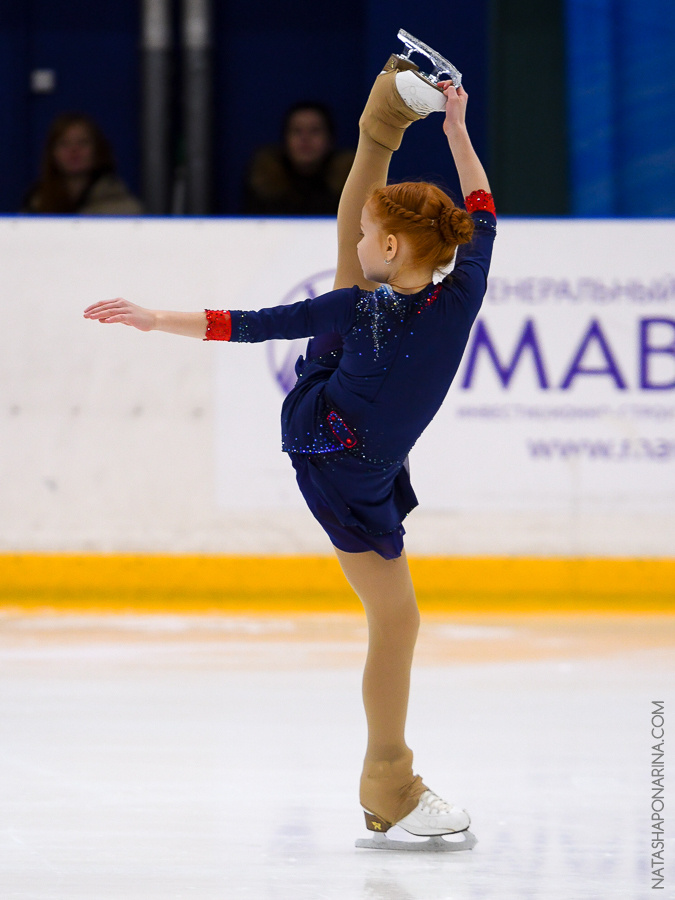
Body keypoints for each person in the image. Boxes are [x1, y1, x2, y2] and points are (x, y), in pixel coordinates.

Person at [84, 38, 496, 849]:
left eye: (374, 229)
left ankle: (383, 115)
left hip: (351, 425)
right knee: (398, 620)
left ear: (391, 250)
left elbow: (255, 326)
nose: (362, 236)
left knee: (350, 288)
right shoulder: (463, 282)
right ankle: (389, 782)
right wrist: (454, 127)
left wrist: (159, 316)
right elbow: (479, 203)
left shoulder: (362, 302)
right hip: (331, 453)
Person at [242, 101, 354, 215]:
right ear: (285, 140)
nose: (305, 138)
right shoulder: (263, 186)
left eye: (315, 130)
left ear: (330, 140)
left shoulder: (351, 185)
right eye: (297, 131)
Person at [23, 113, 143, 215]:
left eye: (83, 142)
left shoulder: (123, 209)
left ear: (97, 150)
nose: (74, 150)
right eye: (64, 143)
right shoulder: (36, 206)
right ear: (52, 153)